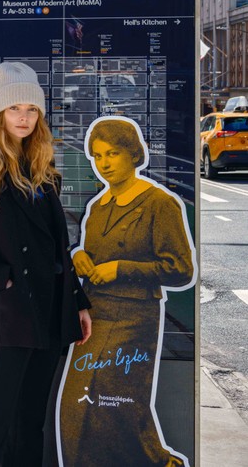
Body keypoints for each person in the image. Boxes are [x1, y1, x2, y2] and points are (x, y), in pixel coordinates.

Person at [0, 61, 92, 467]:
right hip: (10, 316)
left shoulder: (43, 168)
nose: (23, 117)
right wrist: (0, 280)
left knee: (30, 423)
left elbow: (58, 250)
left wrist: (77, 300)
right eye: (14, 109)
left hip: (49, 311)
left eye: (30, 109)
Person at [56, 117, 196, 467]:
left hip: (135, 320)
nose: (103, 163)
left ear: (133, 154)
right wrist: (80, 258)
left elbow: (181, 269)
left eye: (112, 153)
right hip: (96, 315)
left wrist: (121, 269)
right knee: (79, 409)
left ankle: (158, 461)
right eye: (97, 156)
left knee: (113, 405)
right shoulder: (97, 209)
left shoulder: (159, 203)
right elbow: (91, 256)